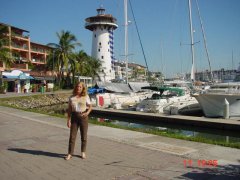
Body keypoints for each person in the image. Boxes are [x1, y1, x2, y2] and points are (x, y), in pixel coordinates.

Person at [65, 82, 92, 160]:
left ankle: (83, 152)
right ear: (75, 87)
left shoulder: (86, 96)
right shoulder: (71, 97)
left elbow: (90, 107)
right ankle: (70, 153)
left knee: (84, 136)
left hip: (83, 117)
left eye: (80, 87)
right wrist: (68, 120)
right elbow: (69, 110)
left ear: (83, 88)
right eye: (77, 86)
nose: (78, 88)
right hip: (74, 117)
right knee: (72, 137)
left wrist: (87, 113)